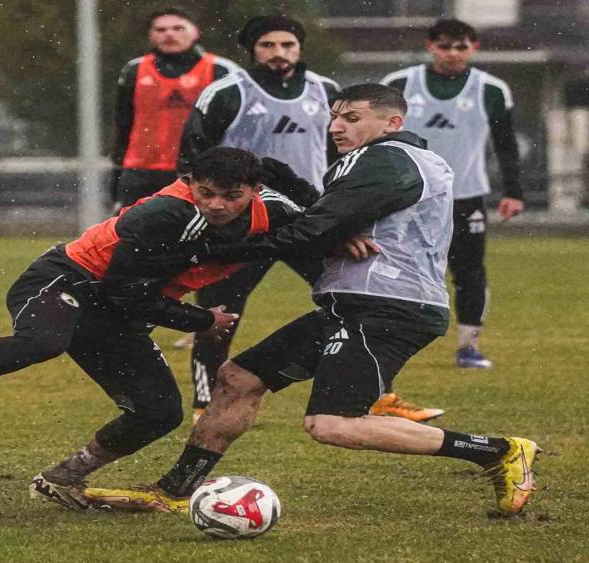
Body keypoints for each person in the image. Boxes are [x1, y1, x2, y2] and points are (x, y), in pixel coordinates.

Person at [83, 84, 540, 517]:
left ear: (392, 122)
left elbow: (314, 227)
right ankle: (175, 491)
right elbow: (324, 214)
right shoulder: (377, 162)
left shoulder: (390, 159)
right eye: (335, 117)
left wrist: (211, 251)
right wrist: (290, 187)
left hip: (389, 306)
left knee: (333, 424)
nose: (337, 127)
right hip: (353, 304)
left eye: (352, 118)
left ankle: (498, 451)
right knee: (238, 379)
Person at [0, 147, 324, 510]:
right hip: (69, 279)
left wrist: (349, 238)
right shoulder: (161, 215)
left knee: (159, 412)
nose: (217, 205)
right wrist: (202, 320)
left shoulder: (273, 210)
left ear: (254, 190)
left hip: (117, 311)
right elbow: (124, 291)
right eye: (206, 193)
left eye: (231, 196)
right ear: (189, 184)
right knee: (42, 341)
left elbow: (318, 219)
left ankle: (63, 478)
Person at [176, 15, 440, 423]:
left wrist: (340, 221)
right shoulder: (227, 92)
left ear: (299, 48)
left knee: (352, 304)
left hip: (310, 217)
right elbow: (192, 160)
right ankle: (205, 403)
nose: (278, 53)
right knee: (219, 315)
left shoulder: (327, 93)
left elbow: (349, 164)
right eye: (268, 45)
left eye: (287, 45)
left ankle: (378, 395)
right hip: (246, 221)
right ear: (252, 49)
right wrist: (212, 211)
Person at [381, 18, 523, 369]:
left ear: (474, 48)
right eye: (445, 46)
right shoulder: (399, 84)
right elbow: (376, 138)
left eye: (461, 47)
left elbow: (506, 145)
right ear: (431, 46)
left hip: (465, 196)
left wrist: (513, 191)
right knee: (398, 271)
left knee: (469, 272)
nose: (453, 53)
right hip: (411, 198)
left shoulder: (490, 89)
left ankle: (468, 347)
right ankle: (388, 343)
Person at [111, 7, 239, 207]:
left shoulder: (220, 70)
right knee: (131, 226)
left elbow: (237, 126)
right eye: (160, 30)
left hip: (200, 172)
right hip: (142, 170)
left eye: (178, 28)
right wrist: (118, 168)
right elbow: (123, 122)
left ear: (195, 32)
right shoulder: (134, 70)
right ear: (151, 35)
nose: (169, 34)